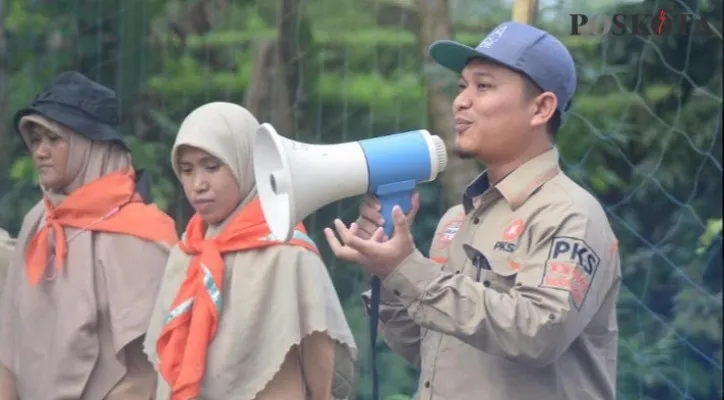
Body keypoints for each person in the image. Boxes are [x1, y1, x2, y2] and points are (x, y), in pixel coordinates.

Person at [325, 21, 621, 400]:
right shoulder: (456, 219)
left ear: (541, 108)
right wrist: (388, 270)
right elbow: (426, 349)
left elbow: (539, 334)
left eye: (483, 86)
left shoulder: (570, 215)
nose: (461, 101)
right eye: (462, 86)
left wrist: (408, 267)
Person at [143, 102, 358, 400]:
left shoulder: (288, 251)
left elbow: (321, 358)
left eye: (212, 166)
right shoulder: (186, 253)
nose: (198, 185)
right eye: (187, 170)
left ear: (247, 162)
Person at [0, 71, 180, 399]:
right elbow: (9, 346)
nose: (40, 151)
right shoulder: (38, 222)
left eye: (54, 139)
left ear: (90, 144)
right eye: (36, 139)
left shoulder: (142, 232)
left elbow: (146, 372)